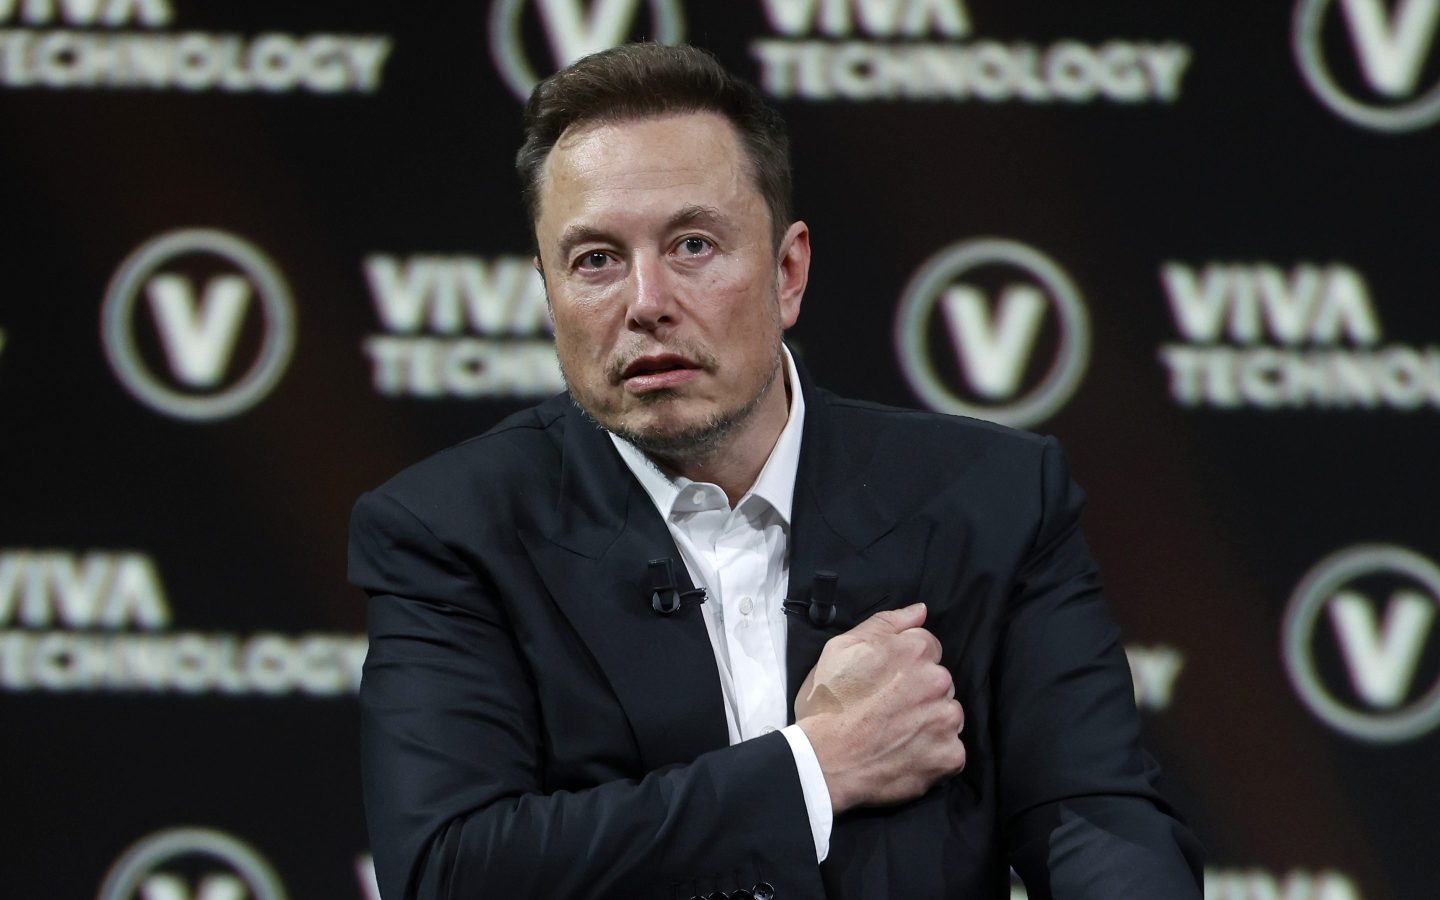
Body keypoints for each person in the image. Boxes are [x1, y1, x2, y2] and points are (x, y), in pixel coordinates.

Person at [349, 42, 1202, 900]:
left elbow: (1099, 821)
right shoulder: (448, 532)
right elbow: (448, 871)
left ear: (788, 272)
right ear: (549, 293)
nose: (646, 302)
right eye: (596, 260)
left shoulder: (996, 499)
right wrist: (811, 770)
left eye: (692, 245)